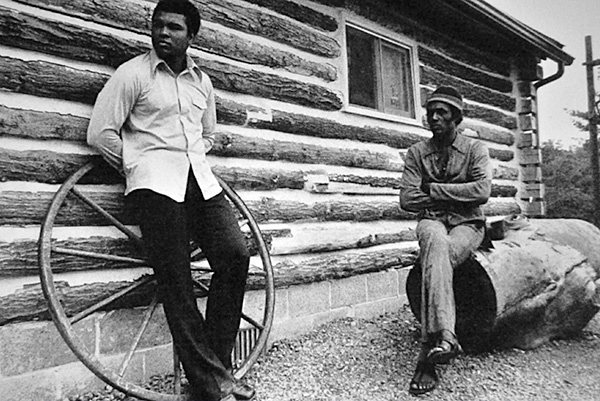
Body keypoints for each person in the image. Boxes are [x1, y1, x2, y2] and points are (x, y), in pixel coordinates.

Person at [87, 1, 255, 400]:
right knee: (176, 279)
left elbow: (208, 132)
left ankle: (213, 368)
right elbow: (100, 132)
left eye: (174, 27)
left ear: (191, 36)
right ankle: (213, 381)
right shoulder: (133, 75)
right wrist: (136, 165)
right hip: (155, 186)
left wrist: (197, 150)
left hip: (199, 182)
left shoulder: (202, 82)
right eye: (157, 25)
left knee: (235, 255)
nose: (163, 33)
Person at [399, 86, 492, 395]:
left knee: (435, 258)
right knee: (436, 243)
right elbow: (407, 199)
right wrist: (453, 193)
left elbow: (481, 192)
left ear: (456, 118)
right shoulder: (416, 152)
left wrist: (435, 189)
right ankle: (447, 338)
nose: (434, 118)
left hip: (468, 224)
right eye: (431, 112)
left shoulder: (475, 150)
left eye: (442, 113)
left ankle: (428, 354)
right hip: (431, 221)